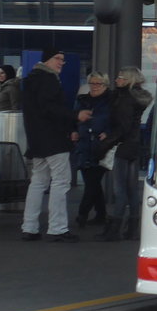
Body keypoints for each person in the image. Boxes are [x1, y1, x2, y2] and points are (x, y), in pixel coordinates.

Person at [19, 48, 78, 242]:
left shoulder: (30, 80)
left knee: (38, 182)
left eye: (63, 59)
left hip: (36, 139)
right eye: (57, 59)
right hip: (54, 139)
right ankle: (57, 228)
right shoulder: (49, 80)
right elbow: (51, 108)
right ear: (47, 60)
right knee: (61, 182)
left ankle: (29, 226)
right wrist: (75, 117)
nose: (61, 62)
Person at [99, 66, 151, 241]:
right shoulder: (138, 98)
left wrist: (108, 140)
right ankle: (133, 229)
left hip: (122, 146)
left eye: (121, 77)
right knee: (132, 190)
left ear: (129, 80)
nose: (117, 80)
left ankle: (114, 229)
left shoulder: (124, 99)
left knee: (119, 189)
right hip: (134, 146)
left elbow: (122, 126)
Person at [71, 72, 112, 228]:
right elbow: (74, 119)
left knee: (92, 182)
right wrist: (73, 130)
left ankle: (82, 214)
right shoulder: (82, 100)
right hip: (83, 145)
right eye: (92, 83)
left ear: (105, 85)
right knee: (92, 182)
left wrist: (108, 132)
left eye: (98, 84)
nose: (94, 86)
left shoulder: (111, 101)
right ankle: (101, 214)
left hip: (101, 146)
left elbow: (116, 120)